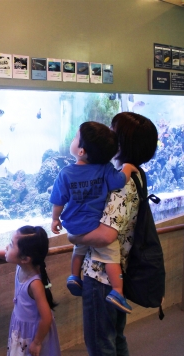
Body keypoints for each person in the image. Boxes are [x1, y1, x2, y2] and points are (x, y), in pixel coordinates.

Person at [70, 112, 158, 356]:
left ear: (120, 141)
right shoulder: (134, 174)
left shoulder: (123, 183)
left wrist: (73, 235)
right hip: (118, 272)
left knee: (100, 345)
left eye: (111, 130)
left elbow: (106, 234)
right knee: (115, 338)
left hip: (101, 277)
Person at [50, 121, 137, 314]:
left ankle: (74, 276)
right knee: (111, 255)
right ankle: (117, 290)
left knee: (79, 248)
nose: (73, 139)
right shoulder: (105, 169)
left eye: (75, 137)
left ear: (81, 151)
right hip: (95, 224)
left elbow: (58, 200)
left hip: (73, 224)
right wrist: (128, 168)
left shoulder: (65, 173)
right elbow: (119, 181)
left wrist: (55, 219)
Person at [0, 225, 63, 356]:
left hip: (34, 333)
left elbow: (46, 317)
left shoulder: (34, 284)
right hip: (21, 329)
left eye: (10, 244)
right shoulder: (22, 265)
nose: (6, 247)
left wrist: (37, 342)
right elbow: (6, 254)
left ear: (25, 258)